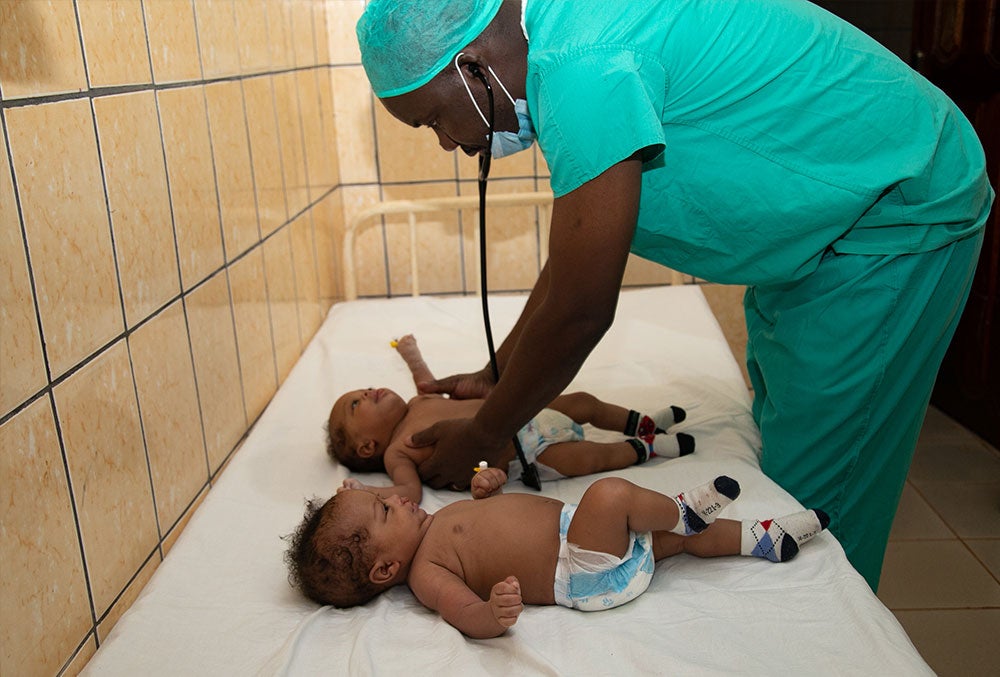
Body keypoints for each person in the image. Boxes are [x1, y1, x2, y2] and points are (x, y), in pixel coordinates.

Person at [354, 0, 993, 591]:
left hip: (893, 217)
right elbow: (573, 263)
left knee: (814, 502)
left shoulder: (581, 61)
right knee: (786, 433)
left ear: (468, 67)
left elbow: (581, 308)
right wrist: (497, 374)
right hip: (817, 233)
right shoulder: (565, 37)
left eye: (433, 118)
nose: (444, 141)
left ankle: (815, 632)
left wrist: (490, 432)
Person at [285, 469, 829, 638]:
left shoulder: (436, 524)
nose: (397, 499)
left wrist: (489, 492)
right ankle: (682, 511)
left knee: (673, 544)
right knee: (611, 496)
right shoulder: (427, 572)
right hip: (580, 569)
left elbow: (498, 527)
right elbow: (463, 612)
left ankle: (763, 538)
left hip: (585, 540)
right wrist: (491, 614)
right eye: (385, 512)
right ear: (385, 568)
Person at [328, 335, 693, 503]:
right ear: (366, 446)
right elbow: (409, 492)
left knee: (584, 402)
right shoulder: (397, 454)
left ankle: (644, 422)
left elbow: (426, 379)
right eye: (356, 405)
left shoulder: (417, 400)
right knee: (589, 457)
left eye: (363, 389)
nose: (367, 392)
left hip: (522, 410)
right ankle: (647, 448)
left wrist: (410, 352)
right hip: (525, 453)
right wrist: (368, 492)